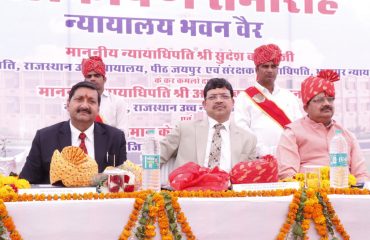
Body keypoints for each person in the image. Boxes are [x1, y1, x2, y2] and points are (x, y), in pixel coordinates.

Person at [19, 81, 127, 184]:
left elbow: (124, 182)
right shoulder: (44, 138)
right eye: (79, 99)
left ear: (98, 109)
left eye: (91, 101)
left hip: (102, 202)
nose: (85, 106)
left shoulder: (115, 138)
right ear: (68, 104)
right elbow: (26, 182)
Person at [276, 70, 369, 182]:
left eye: (330, 99)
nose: (327, 103)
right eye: (319, 100)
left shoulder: (346, 135)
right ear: (306, 107)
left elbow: (361, 175)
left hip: (345, 193)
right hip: (309, 195)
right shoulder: (292, 133)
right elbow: (288, 175)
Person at [160, 78, 257, 173]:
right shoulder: (184, 129)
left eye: (224, 96)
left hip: (230, 188)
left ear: (232, 102)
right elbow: (156, 157)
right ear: (204, 104)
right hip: (189, 188)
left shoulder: (248, 139)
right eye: (212, 97)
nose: (219, 100)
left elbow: (250, 175)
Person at [234, 43, 302, 156]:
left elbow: (299, 127)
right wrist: (263, 151)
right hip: (257, 158)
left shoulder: (289, 97)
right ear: (257, 69)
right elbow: (242, 130)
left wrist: (287, 150)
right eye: (265, 66)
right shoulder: (244, 97)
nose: (270, 70)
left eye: (273, 66)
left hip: (288, 157)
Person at [81, 56, 128, 133]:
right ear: (84, 80)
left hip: (110, 144)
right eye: (89, 76)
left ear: (104, 79)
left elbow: (123, 132)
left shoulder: (117, 102)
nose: (92, 78)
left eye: (97, 75)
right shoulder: (77, 102)